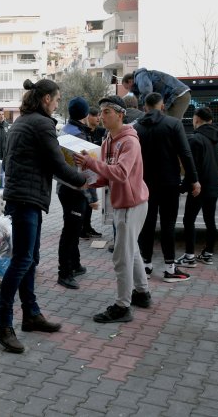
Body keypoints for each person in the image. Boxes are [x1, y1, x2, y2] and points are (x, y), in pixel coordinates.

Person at [0, 79, 87, 354]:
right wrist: (82, 180)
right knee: (22, 261)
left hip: (23, 196)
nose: (57, 105)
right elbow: (56, 162)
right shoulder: (42, 124)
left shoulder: (22, 121)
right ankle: (1, 323)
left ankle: (30, 314)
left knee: (30, 259)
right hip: (27, 199)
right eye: (56, 100)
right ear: (46, 99)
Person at [74, 95, 151, 323]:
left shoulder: (130, 142)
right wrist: (90, 182)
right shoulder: (108, 139)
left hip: (131, 204)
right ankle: (142, 293)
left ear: (120, 114)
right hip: (124, 203)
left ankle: (122, 306)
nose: (102, 116)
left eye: (107, 111)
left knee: (121, 257)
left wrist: (89, 164)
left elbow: (120, 173)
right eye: (101, 111)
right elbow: (107, 174)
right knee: (131, 250)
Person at [134, 92, 200, 282]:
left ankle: (146, 264)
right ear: (162, 105)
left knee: (147, 224)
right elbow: (185, 153)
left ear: (145, 107)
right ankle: (170, 268)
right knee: (168, 225)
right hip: (169, 183)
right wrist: (193, 179)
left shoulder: (137, 128)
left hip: (145, 183)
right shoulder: (173, 124)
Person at [56, 97, 95, 289]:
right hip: (74, 189)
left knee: (74, 228)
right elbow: (85, 169)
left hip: (65, 188)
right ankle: (64, 272)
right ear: (85, 115)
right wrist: (92, 196)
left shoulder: (66, 130)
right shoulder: (78, 135)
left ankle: (75, 264)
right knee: (70, 231)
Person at [176, 107, 218, 267]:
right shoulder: (217, 138)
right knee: (210, 220)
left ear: (196, 119)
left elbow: (191, 167)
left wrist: (182, 187)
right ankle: (208, 254)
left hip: (199, 187)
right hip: (214, 186)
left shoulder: (195, 139)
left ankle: (189, 256)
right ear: (211, 120)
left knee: (189, 220)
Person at [121, 68, 191, 119]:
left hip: (178, 95)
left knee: (171, 122)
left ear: (130, 81)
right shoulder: (141, 78)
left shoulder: (140, 76)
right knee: (164, 119)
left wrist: (145, 108)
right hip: (175, 96)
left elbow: (146, 91)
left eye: (127, 87)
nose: (129, 90)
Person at [83, 106, 105, 239]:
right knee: (86, 200)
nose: (98, 118)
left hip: (96, 170)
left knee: (91, 201)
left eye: (99, 115)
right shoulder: (84, 132)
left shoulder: (102, 132)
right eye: (95, 115)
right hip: (85, 171)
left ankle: (88, 226)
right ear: (88, 116)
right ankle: (83, 228)